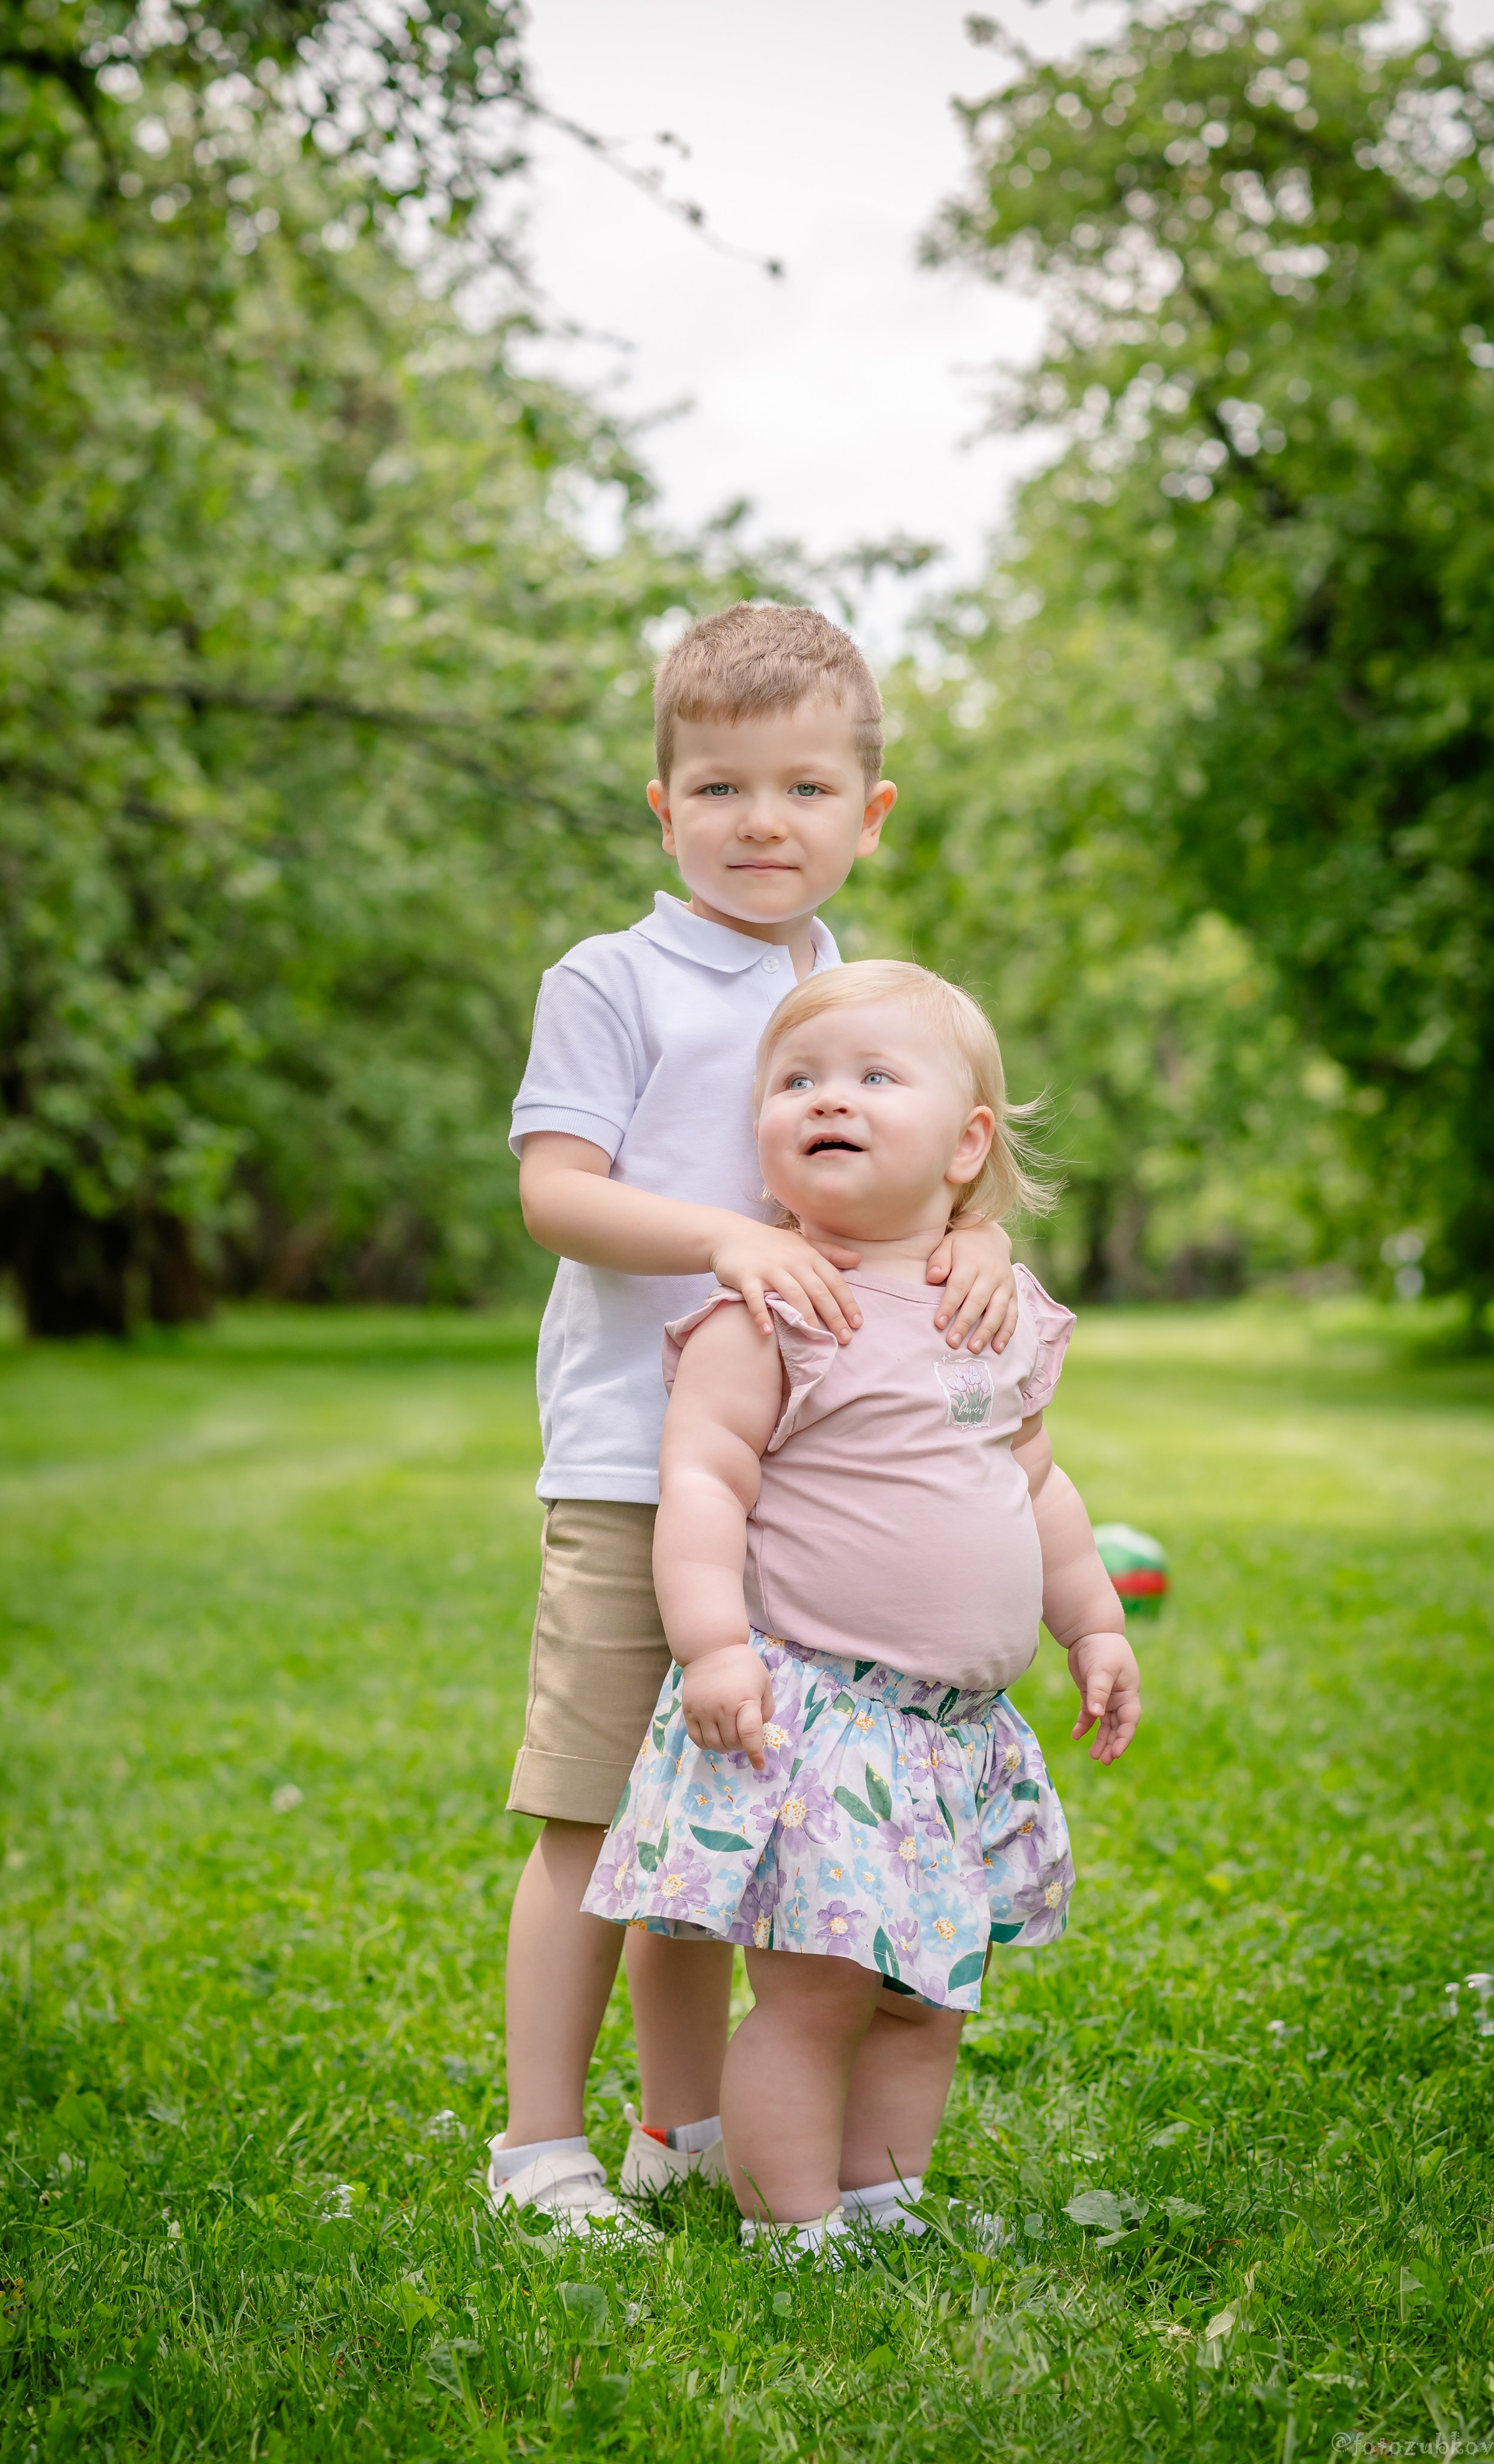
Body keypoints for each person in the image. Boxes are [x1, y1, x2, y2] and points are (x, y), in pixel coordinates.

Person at [491, 607, 1023, 2232]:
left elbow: (920, 1158)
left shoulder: (850, 987)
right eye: (718, 788)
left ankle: (683, 2125)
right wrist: (729, 1238)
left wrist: (975, 1238)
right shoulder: (614, 976)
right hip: (636, 1465)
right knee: (594, 1812)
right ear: (664, 807)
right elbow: (555, 1195)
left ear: (869, 812)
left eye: (803, 788)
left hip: (807, 1491)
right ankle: (537, 2150)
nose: (760, 822)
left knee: (714, 1826)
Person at [583, 960, 1141, 2258]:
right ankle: (791, 2222)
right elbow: (703, 1482)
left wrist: (1094, 1624)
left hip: (947, 1735)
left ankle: (885, 2198)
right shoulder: (772, 1314)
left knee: (923, 1998)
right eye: (796, 1082)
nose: (827, 1098)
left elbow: (1036, 1484)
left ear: (966, 1146)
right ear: (764, 1140)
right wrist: (711, 1646)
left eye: (873, 1076)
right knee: (820, 1993)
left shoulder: (990, 1311)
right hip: (818, 1722)